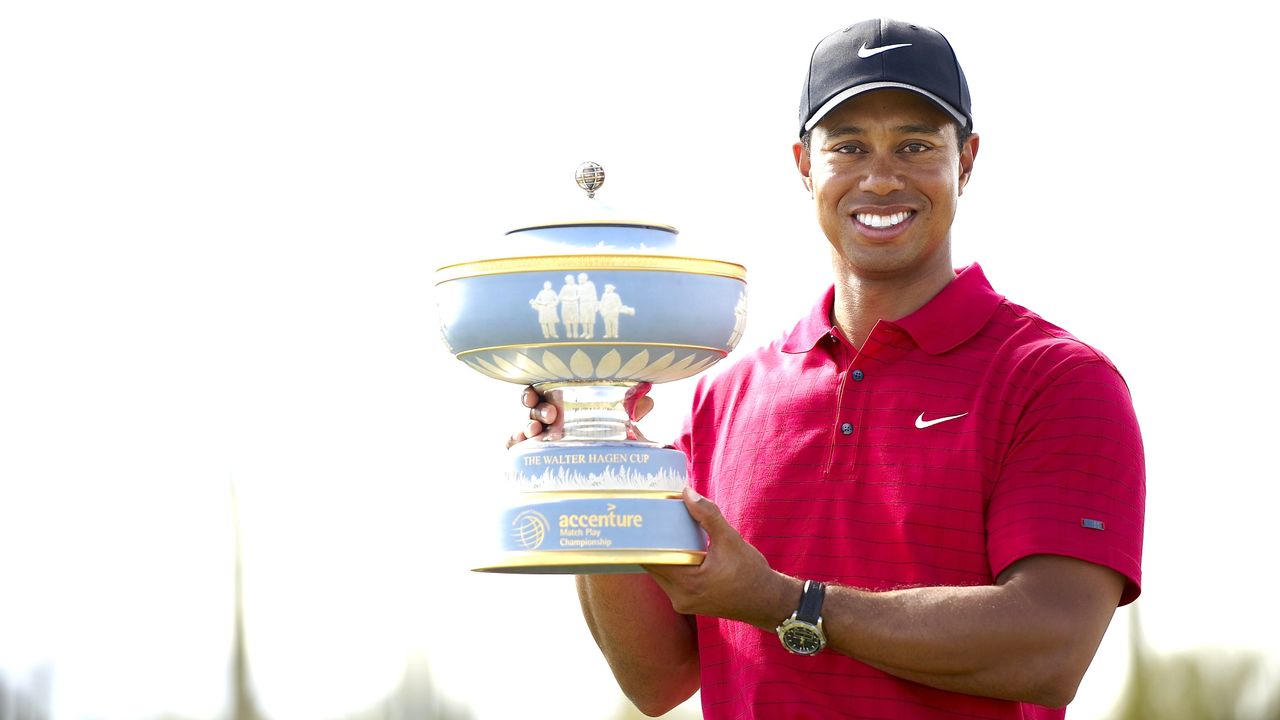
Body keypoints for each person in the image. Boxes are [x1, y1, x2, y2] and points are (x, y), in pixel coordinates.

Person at [509, 18, 1145, 720]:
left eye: (915, 145)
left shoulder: (1057, 380)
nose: (880, 177)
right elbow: (657, 680)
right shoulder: (728, 395)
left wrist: (785, 601)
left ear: (965, 160)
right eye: (847, 147)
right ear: (804, 164)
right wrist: (597, 474)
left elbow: (1049, 650)